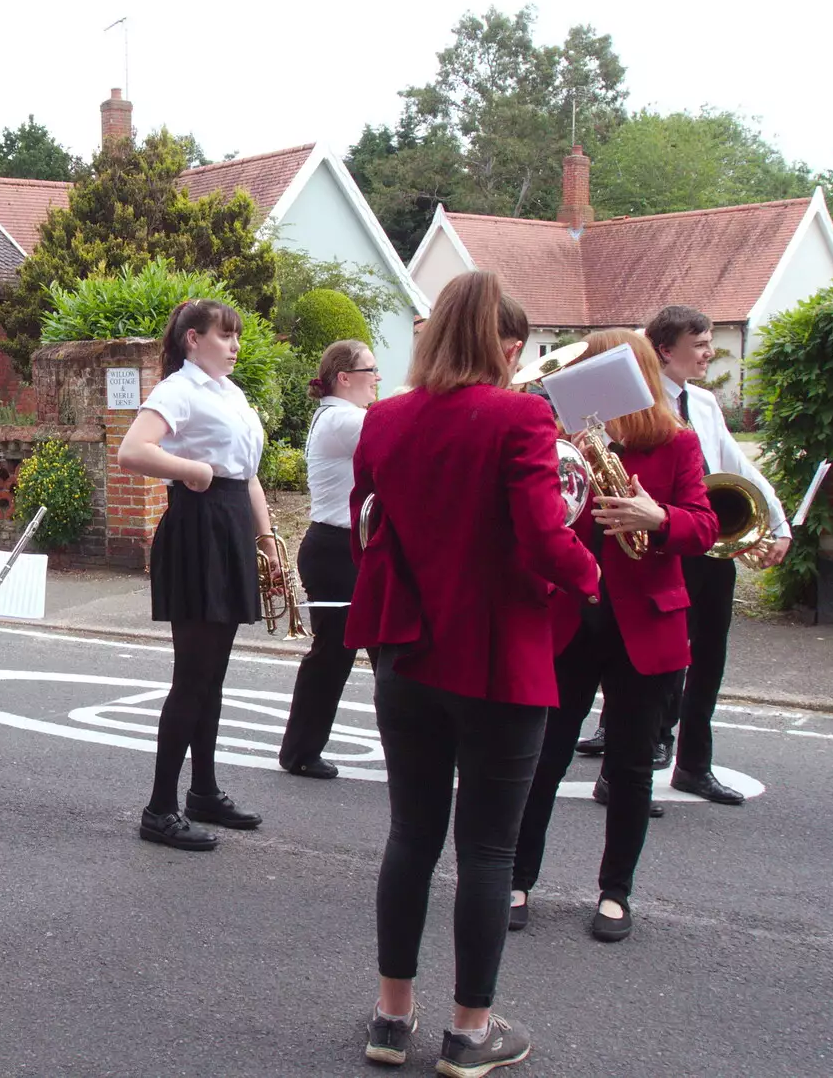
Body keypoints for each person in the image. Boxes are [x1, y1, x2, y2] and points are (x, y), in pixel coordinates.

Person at [347, 271, 599, 1075]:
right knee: (488, 851)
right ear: (504, 343)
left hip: (408, 656)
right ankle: (468, 1031)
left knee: (409, 836)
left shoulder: (383, 418)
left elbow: (368, 529)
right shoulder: (523, 414)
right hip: (496, 659)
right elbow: (541, 538)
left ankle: (391, 1020)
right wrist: (595, 570)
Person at [508, 328, 719, 944]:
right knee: (543, 758)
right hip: (573, 616)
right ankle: (519, 880)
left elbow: (705, 525)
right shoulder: (556, 441)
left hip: (645, 620)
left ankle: (615, 893)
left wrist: (661, 519)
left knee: (631, 766)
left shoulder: (676, 443)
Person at [576, 306, 791, 807]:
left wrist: (776, 522)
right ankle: (628, 760)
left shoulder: (705, 404)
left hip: (702, 540)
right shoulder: (632, 405)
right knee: (650, 657)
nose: (708, 353)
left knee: (708, 656)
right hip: (653, 545)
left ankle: (694, 764)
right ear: (663, 351)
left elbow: (735, 464)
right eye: (699, 344)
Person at [117, 298, 275, 852]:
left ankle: (203, 791)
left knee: (213, 676)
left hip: (229, 525)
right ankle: (160, 808)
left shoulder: (230, 393)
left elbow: (247, 474)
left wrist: (266, 538)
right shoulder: (177, 390)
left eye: (237, 336)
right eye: (224, 336)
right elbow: (132, 451)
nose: (234, 345)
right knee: (193, 677)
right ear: (192, 339)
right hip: (198, 527)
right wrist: (192, 470)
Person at [277, 339, 380, 780]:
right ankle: (299, 751)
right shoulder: (344, 419)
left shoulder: (342, 417)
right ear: (344, 377)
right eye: (370, 369)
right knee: (345, 656)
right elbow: (406, 437)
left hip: (342, 548)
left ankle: (300, 749)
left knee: (356, 654)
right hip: (338, 551)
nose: (377, 378)